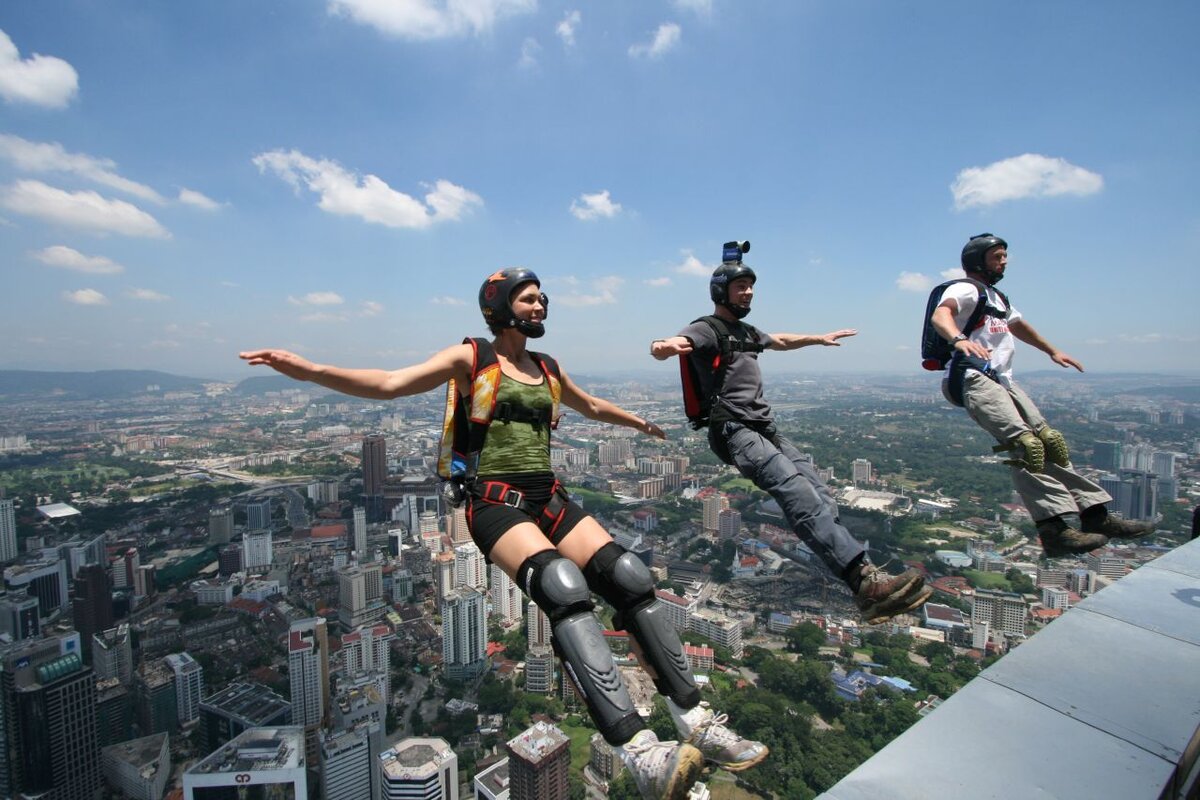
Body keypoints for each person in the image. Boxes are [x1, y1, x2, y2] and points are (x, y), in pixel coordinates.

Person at [242, 268, 766, 800]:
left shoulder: (547, 367)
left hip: (548, 497)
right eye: (529, 299)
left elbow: (590, 406)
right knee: (563, 586)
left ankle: (694, 716)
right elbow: (389, 383)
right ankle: (637, 749)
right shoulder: (471, 357)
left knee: (630, 578)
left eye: (542, 299)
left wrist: (636, 423)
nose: (540, 306)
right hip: (495, 504)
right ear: (499, 306)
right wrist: (308, 371)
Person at [651, 245, 932, 624]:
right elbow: (679, 343)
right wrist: (664, 347)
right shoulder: (706, 328)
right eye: (741, 286)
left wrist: (817, 338)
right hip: (735, 430)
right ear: (721, 291)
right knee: (797, 493)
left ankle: (868, 594)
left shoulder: (747, 332)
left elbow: (779, 340)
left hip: (765, 429)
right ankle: (865, 581)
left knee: (822, 495)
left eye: (751, 286)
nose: (748, 292)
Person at [928, 233, 1155, 556]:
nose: (1004, 261)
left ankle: (1094, 514)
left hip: (1001, 380)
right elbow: (942, 314)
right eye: (997, 256)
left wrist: (1052, 350)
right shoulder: (965, 288)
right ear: (979, 260)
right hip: (973, 377)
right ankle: (1054, 529)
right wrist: (957, 339)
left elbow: (1018, 325)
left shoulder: (997, 299)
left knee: (1049, 443)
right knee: (1025, 446)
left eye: (1005, 255)